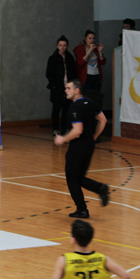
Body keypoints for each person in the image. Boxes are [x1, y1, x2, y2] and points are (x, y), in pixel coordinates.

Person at [54, 80, 110, 218]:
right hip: (89, 145)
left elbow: (78, 130)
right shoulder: (91, 103)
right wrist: (94, 137)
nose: (66, 90)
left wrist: (63, 139)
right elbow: (103, 120)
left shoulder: (75, 107)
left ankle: (83, 208)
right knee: (78, 177)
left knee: (71, 177)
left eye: (68, 88)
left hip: (78, 146)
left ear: (77, 90)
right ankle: (99, 189)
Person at [46, 35, 77, 136]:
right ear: (57, 46)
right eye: (60, 45)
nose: (62, 47)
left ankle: (65, 129)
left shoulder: (70, 58)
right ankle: (55, 129)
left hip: (67, 88)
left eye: (64, 45)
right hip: (57, 88)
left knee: (66, 110)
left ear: (67, 46)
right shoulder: (52, 58)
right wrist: (54, 84)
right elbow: (48, 73)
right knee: (56, 109)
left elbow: (73, 72)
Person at [73, 30, 106, 94]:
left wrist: (100, 52)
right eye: (90, 38)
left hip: (97, 76)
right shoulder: (79, 48)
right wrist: (90, 51)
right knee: (87, 96)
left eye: (93, 38)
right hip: (86, 77)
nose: (92, 40)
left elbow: (103, 62)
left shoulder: (96, 49)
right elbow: (80, 63)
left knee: (96, 96)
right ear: (85, 39)